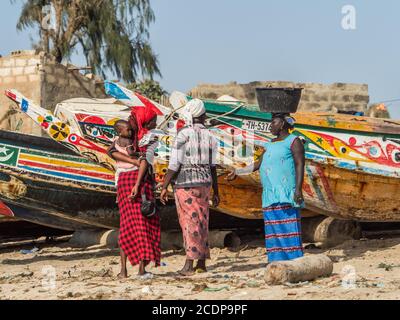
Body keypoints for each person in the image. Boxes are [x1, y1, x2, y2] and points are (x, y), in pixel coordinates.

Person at [227, 113, 305, 262]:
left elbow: (300, 165)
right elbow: (258, 164)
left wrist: (298, 189)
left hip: (286, 193)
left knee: (289, 229)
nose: (270, 126)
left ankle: (295, 262)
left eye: (273, 122)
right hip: (270, 195)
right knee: (274, 231)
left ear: (282, 124)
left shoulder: (294, 141)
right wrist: (238, 171)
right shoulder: (269, 144)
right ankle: (277, 262)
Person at [160, 99, 220, 276]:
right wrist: (216, 190)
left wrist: (164, 186)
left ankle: (188, 264)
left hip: (186, 184)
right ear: (203, 116)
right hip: (205, 184)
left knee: (189, 223)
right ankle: (201, 263)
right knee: (202, 221)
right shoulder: (211, 136)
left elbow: (174, 164)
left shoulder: (183, 134)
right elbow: (213, 166)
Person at [107, 107, 161, 280]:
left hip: (122, 182)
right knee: (143, 225)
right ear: (146, 122)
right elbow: (144, 162)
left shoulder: (123, 138)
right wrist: (137, 184)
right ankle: (141, 271)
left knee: (126, 225)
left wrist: (129, 160)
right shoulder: (147, 139)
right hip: (139, 183)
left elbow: (110, 151)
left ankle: (123, 271)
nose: (156, 124)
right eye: (153, 121)